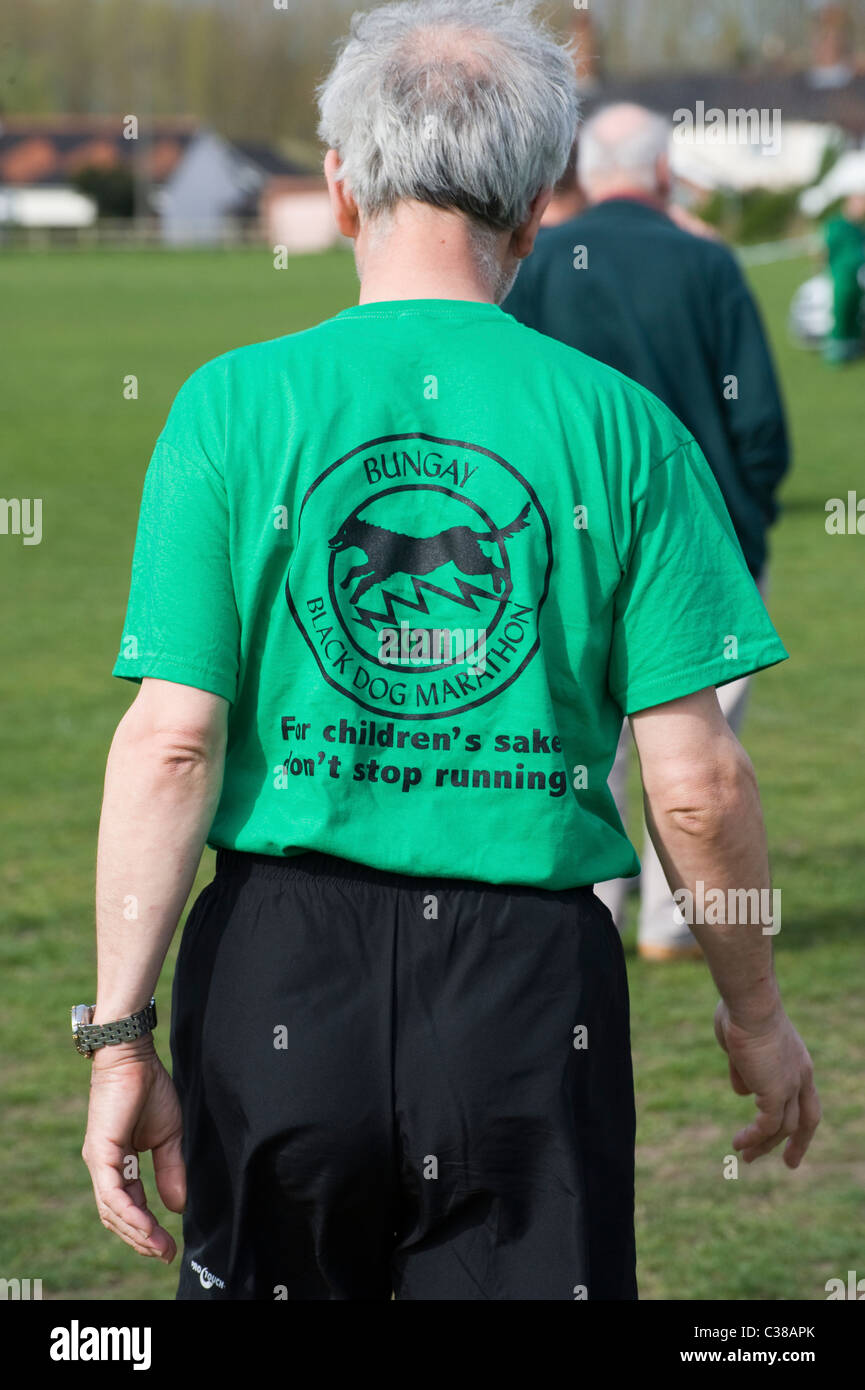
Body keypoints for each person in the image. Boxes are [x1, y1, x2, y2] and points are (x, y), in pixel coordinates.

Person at [78, 1, 819, 1302]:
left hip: (275, 969)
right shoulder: (627, 430)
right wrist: (754, 1014)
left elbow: (174, 736)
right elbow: (695, 784)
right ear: (538, 205)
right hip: (529, 990)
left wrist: (120, 1035)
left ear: (340, 187)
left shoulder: (229, 405)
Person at [505, 102, 791, 960]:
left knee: (585, 736)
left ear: (581, 174)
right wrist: (748, 515)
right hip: (701, 545)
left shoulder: (536, 261)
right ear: (664, 171)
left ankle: (594, 900)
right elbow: (761, 423)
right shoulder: (708, 264)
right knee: (699, 737)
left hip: (558, 550)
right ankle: (676, 922)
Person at [823, 191, 865, 365]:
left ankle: (854, 346)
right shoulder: (837, 225)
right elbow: (828, 252)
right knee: (842, 312)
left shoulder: (858, 228)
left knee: (855, 313)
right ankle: (837, 351)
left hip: (857, 279)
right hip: (843, 278)